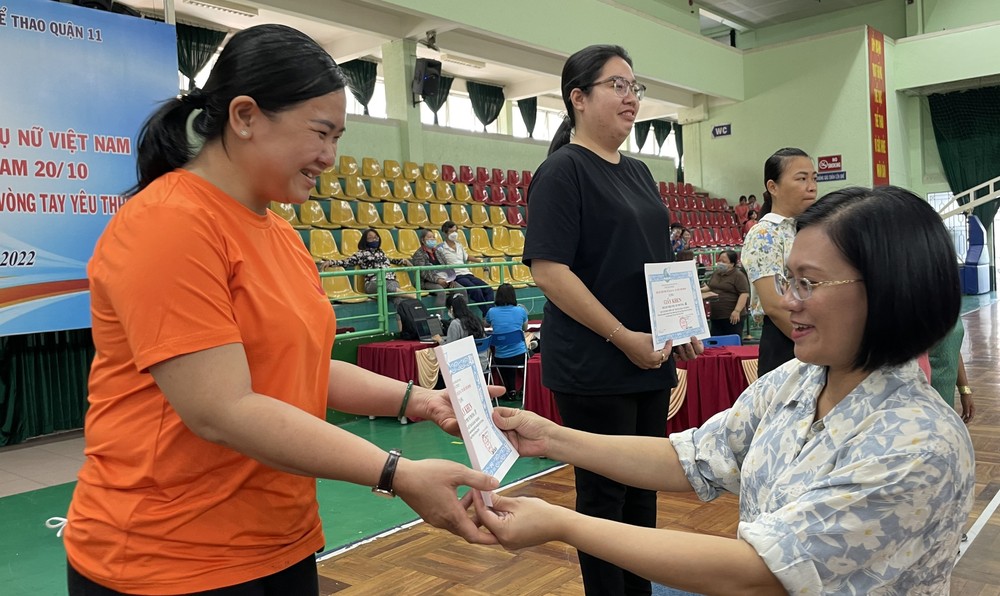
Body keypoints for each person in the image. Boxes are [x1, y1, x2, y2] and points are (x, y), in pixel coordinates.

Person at [62, 25, 503, 596]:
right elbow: (222, 408)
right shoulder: (169, 223)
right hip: (167, 558)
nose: (330, 157)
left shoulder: (281, 234)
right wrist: (397, 472)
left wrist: (422, 399)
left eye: (338, 137)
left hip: (277, 542)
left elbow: (305, 363)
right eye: (321, 133)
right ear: (244, 116)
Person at [475, 185, 975, 595]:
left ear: (889, 289)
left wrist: (564, 523)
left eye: (807, 283)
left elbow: (758, 573)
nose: (786, 301)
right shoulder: (798, 380)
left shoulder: (918, 445)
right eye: (787, 279)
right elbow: (692, 457)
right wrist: (551, 438)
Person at [522, 43, 702, 596]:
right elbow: (550, 271)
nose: (631, 97)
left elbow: (655, 264)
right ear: (578, 98)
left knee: (642, 490)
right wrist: (622, 336)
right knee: (603, 498)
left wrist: (681, 323)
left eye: (635, 86)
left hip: (648, 357)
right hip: (597, 363)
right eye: (617, 85)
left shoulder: (641, 173)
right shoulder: (562, 172)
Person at [742, 147, 816, 376]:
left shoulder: (811, 229)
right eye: (801, 179)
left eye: (814, 178)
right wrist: (816, 346)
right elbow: (774, 305)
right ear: (772, 187)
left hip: (814, 331)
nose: (811, 186)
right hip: (786, 339)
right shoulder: (765, 233)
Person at [320, 227, 415, 306]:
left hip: (391, 280)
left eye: (376, 237)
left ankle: (402, 328)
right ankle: (411, 295)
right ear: (365, 240)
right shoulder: (362, 253)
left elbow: (389, 259)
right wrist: (332, 262)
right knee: (387, 288)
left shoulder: (381, 252)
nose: (374, 239)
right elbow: (347, 262)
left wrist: (403, 261)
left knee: (399, 302)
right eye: (371, 238)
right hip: (373, 283)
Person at [435, 220, 495, 315]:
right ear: (445, 233)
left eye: (455, 231)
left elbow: (466, 257)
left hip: (468, 273)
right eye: (451, 231)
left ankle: (488, 314)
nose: (454, 234)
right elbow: (440, 266)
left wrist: (480, 261)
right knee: (476, 290)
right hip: (457, 276)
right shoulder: (440, 248)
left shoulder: (459, 245)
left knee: (488, 289)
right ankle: (489, 314)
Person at [485, 283, 530, 400]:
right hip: (519, 355)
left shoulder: (492, 312)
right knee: (531, 356)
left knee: (506, 361)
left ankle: (510, 391)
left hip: (500, 357)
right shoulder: (520, 311)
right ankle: (525, 389)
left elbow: (486, 324)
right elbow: (525, 328)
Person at [927, 319, 976, 423]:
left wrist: (965, 391)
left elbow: (954, 349)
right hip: (924, 391)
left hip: (946, 394)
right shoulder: (912, 307)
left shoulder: (951, 305)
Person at [432, 293, 489, 371]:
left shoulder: (455, 324)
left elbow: (449, 348)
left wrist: (440, 340)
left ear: (451, 308)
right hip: (482, 363)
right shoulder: (477, 320)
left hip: (465, 366)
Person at [703, 250, 750, 337]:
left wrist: (737, 311)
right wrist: (700, 290)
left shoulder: (738, 275)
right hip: (716, 315)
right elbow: (711, 286)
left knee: (732, 342)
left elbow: (744, 294)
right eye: (719, 260)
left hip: (731, 316)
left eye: (724, 261)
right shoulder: (716, 273)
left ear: (732, 264)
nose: (720, 263)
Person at [410, 227, 461, 307]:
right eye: (429, 237)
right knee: (441, 291)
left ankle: (462, 314)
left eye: (433, 237)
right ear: (423, 240)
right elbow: (423, 272)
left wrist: (450, 279)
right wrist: (438, 280)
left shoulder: (438, 251)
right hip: (426, 281)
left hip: (444, 279)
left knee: (461, 289)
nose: (432, 239)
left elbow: (446, 267)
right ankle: (438, 317)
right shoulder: (418, 254)